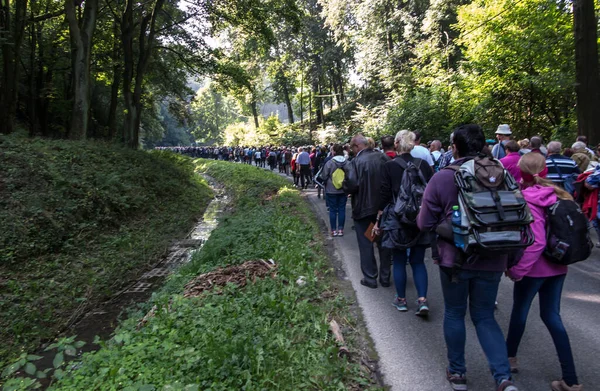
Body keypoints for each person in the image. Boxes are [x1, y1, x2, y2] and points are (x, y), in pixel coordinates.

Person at [417, 124, 518, 391]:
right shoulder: (502, 173)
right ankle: (504, 378)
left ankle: (458, 374)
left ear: (455, 148)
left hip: (455, 258)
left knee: (454, 313)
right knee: (485, 316)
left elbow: (424, 222)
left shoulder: (442, 178)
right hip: (494, 255)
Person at [505, 153, 583, 391]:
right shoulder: (558, 194)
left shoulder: (529, 200)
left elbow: (536, 242)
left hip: (535, 269)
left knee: (520, 311)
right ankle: (570, 379)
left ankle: (509, 359)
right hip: (558, 267)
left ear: (523, 174)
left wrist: (517, 269)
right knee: (552, 316)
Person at [374, 130, 433, 315]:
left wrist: (378, 220)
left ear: (397, 143)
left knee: (399, 261)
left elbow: (384, 195)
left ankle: (401, 300)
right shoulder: (423, 165)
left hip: (397, 219)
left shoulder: (389, 166)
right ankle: (422, 300)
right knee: (418, 261)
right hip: (419, 218)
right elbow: (430, 192)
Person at [344, 134, 391, 288]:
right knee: (382, 242)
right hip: (383, 209)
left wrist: (344, 185)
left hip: (363, 209)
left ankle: (370, 278)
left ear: (357, 146)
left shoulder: (355, 162)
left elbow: (351, 185)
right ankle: (385, 277)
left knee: (366, 243)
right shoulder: (383, 158)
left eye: (352, 148)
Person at [320, 144, 348, 236]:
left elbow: (324, 176)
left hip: (331, 189)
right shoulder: (347, 162)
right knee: (341, 209)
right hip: (343, 189)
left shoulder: (330, 162)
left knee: (332, 210)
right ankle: (341, 230)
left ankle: (333, 230)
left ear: (334, 152)